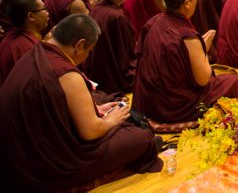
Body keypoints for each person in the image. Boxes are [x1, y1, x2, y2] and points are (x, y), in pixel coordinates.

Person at [0, 14, 162, 191]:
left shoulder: (36, 52)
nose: (88, 55)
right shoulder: (66, 73)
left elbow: (55, 105)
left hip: (18, 154)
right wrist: (112, 120)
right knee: (140, 137)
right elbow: (90, 132)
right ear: (79, 45)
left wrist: (96, 109)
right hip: (44, 165)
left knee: (103, 101)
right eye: (89, 50)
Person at [133, 0, 238, 123]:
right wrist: (203, 51)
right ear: (187, 3)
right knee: (237, 81)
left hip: (148, 102)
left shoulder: (152, 22)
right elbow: (203, 80)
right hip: (175, 107)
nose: (196, 1)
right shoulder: (187, 36)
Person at [85, 0, 135, 94]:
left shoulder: (95, 10)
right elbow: (126, 52)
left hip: (96, 71)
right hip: (113, 76)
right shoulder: (117, 17)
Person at [0, 0, 49, 85]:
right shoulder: (28, 48)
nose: (48, 13)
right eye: (44, 9)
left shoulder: (11, 36)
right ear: (30, 16)